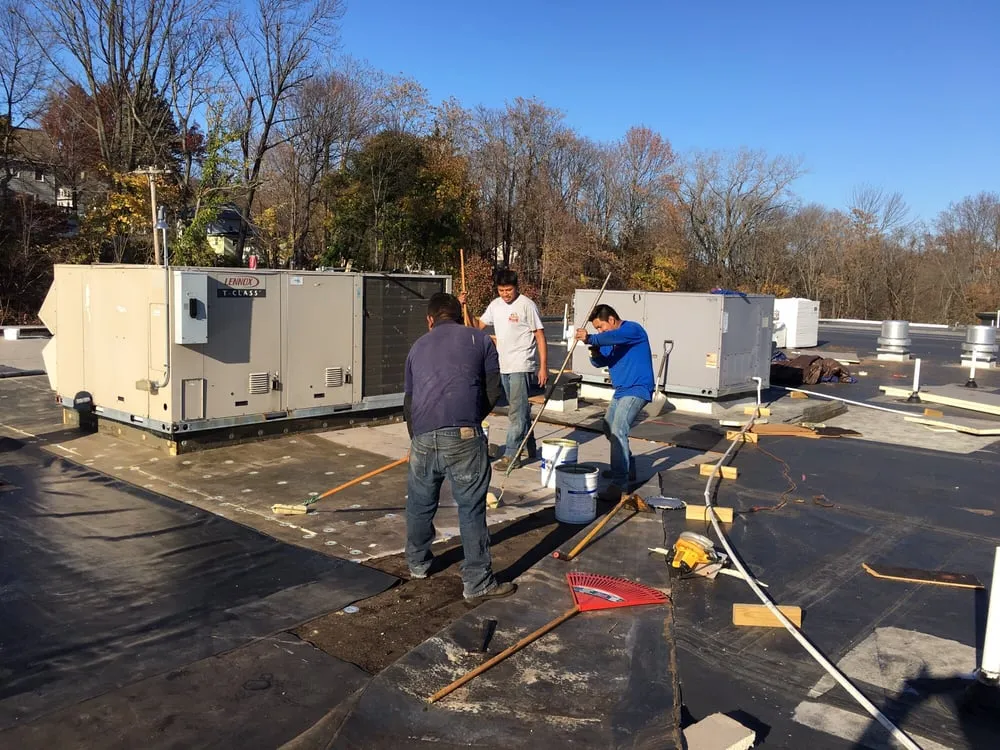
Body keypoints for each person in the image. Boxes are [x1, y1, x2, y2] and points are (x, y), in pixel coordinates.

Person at [403, 292, 516, 603]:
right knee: (471, 507)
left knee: (420, 503)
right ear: (458, 313)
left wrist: (418, 437)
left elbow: (409, 402)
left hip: (423, 436)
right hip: (464, 436)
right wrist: (469, 420)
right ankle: (477, 582)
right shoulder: (480, 340)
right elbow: (494, 389)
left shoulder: (416, 347)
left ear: (430, 320)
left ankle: (418, 563)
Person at [459, 269, 547, 471]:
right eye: (501, 290)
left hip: (521, 364)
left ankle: (512, 455)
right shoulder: (495, 305)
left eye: (509, 290)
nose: (505, 294)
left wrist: (542, 367)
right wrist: (465, 306)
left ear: (516, 287)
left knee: (516, 412)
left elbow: (540, 336)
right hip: (503, 365)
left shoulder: (526, 305)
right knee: (520, 409)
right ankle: (528, 445)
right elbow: (476, 326)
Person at [575, 304, 654, 499]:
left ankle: (620, 483)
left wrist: (592, 338)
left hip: (637, 389)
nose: (600, 331)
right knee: (609, 427)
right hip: (621, 391)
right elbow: (601, 361)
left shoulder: (632, 330)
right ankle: (627, 466)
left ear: (611, 320)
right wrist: (594, 350)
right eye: (596, 329)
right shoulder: (608, 339)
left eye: (600, 327)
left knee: (619, 429)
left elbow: (611, 337)